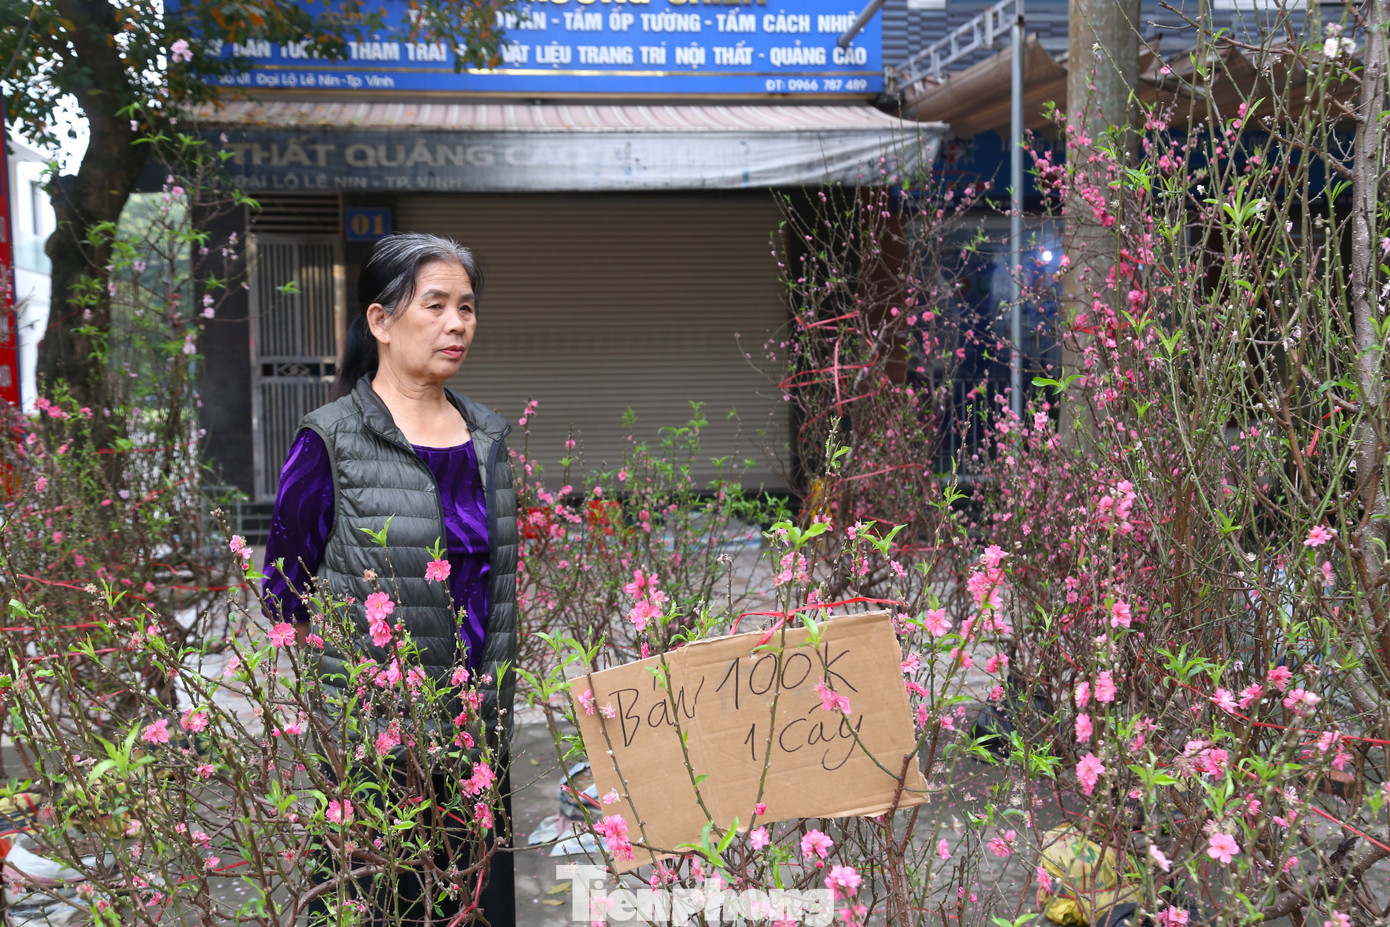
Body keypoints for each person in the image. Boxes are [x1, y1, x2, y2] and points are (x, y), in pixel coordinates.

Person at [261, 232, 518, 925]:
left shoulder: (489, 440)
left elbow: (495, 592)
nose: (457, 323)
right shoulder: (331, 439)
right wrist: (351, 697)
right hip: (376, 753)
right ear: (380, 320)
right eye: (434, 305)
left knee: (472, 907)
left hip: (477, 744)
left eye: (465, 306)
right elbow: (286, 592)